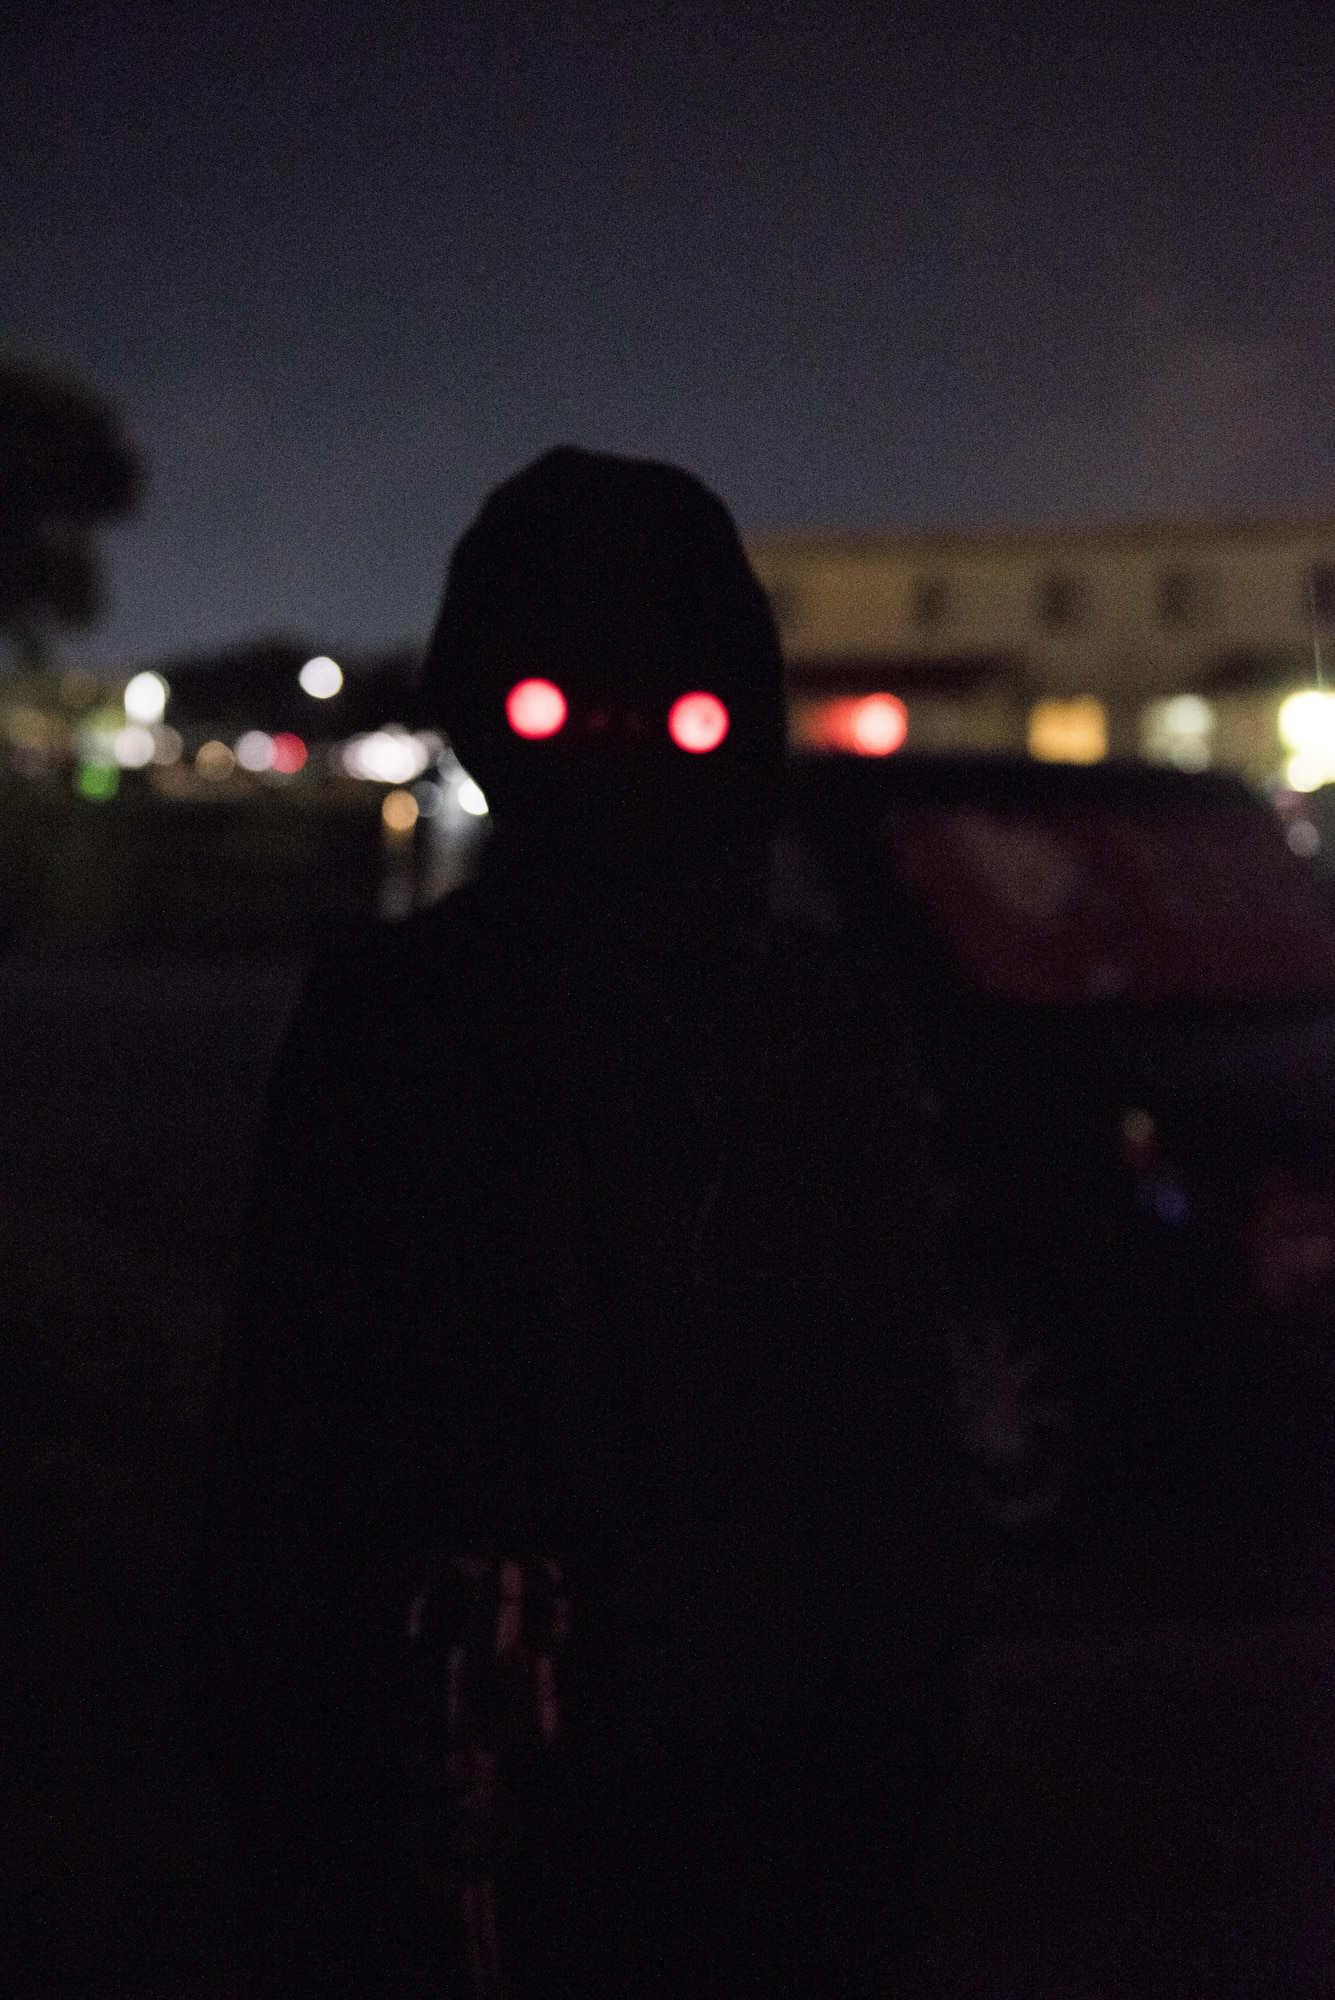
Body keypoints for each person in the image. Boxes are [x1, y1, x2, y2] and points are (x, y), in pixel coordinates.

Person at [191, 447, 965, 1998]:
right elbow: (293, 1435)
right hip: (484, 1755)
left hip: (741, 1759)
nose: (607, 751)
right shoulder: (401, 1017)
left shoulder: (824, 1033)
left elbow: (885, 1443)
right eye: (553, 701)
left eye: (664, 707)